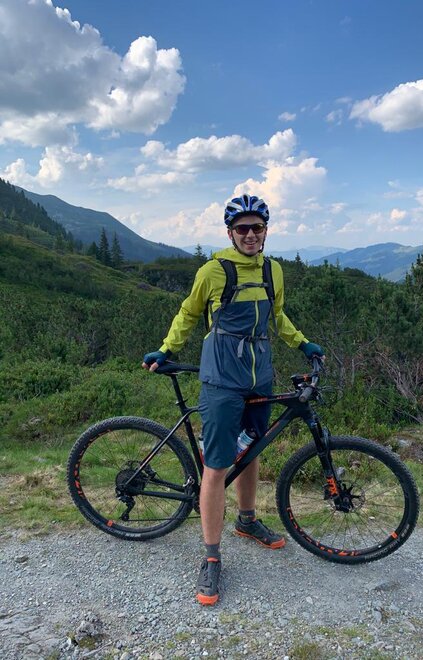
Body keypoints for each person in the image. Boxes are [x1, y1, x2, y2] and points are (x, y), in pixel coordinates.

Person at [142, 194, 325, 605]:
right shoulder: (213, 271)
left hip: (260, 377)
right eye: (242, 228)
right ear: (230, 233)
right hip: (222, 380)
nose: (250, 234)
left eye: (256, 227)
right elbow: (189, 313)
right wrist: (166, 349)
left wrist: (303, 343)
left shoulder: (273, 270)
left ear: (266, 231)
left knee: (252, 450)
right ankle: (210, 556)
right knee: (217, 464)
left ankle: (247, 520)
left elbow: (277, 317)